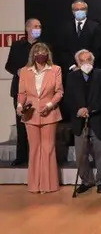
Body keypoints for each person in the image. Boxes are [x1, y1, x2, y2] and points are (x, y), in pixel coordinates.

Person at [16, 43, 63, 193]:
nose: (40, 55)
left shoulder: (55, 69)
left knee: (48, 148)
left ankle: (48, 185)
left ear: (47, 54)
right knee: (35, 149)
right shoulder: (24, 71)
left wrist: (49, 105)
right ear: (33, 55)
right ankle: (34, 184)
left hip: (49, 113)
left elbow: (59, 92)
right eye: (38, 52)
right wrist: (19, 106)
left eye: (43, 52)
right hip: (31, 115)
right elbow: (22, 93)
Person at [65, 49, 101, 194]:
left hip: (98, 120)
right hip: (79, 122)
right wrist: (78, 110)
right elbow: (68, 99)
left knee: (100, 154)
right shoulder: (72, 77)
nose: (86, 63)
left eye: (88, 60)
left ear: (93, 61)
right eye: (82, 61)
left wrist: (90, 109)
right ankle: (87, 181)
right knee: (80, 155)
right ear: (77, 63)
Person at [4, 18, 44, 167]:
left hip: (39, 90)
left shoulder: (44, 46)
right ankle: (21, 156)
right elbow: (9, 65)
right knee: (22, 123)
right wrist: (18, 71)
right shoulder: (17, 45)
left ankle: (38, 155)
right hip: (20, 89)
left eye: (39, 26)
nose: (37, 28)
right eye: (34, 26)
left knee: (38, 123)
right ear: (27, 28)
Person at [56, 0, 101, 73]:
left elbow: (97, 49)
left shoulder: (95, 27)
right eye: (76, 9)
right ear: (73, 11)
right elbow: (62, 50)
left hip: (91, 69)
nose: (79, 11)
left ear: (86, 10)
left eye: (82, 9)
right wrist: (73, 66)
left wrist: (86, 65)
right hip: (71, 70)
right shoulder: (66, 28)